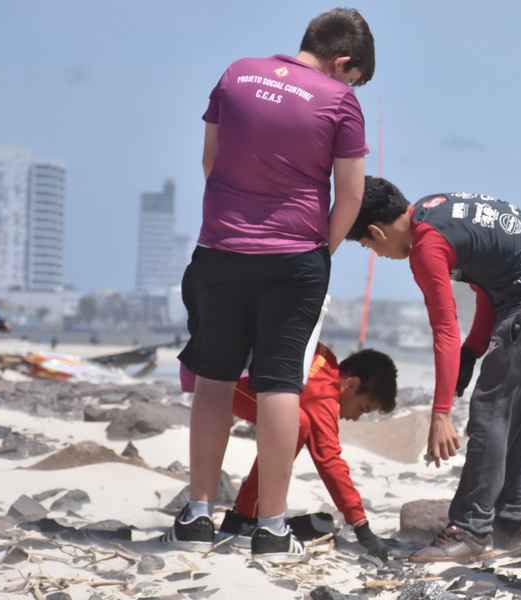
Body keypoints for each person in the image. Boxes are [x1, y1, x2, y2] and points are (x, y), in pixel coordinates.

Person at [168, 8, 375, 563]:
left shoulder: (236, 73)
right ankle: (272, 528)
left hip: (221, 248)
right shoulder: (338, 102)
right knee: (280, 385)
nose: (349, 86)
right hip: (294, 258)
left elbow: (211, 159)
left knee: (212, 380)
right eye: (351, 77)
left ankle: (197, 515)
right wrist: (318, 253)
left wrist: (239, 218)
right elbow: (350, 195)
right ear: (343, 61)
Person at [344, 177, 521, 562]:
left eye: (368, 245)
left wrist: (440, 415)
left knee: (490, 412)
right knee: (509, 412)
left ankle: (469, 530)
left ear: (374, 230)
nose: (375, 253)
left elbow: (444, 327)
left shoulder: (425, 245)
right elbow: (490, 287)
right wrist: (473, 351)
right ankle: (513, 527)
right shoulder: (435, 213)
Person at [194, 343, 399, 560]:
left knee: (296, 421)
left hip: (212, 366)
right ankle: (244, 519)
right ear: (351, 384)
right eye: (362, 408)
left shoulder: (324, 357)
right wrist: (362, 528)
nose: (356, 418)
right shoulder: (323, 395)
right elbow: (330, 462)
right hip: (227, 384)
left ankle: (246, 516)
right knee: (295, 423)